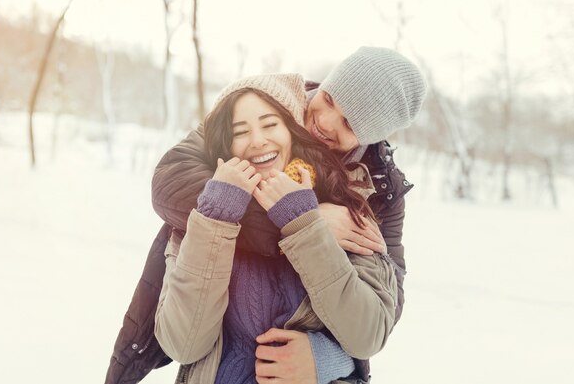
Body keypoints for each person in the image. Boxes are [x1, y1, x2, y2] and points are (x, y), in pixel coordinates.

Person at [104, 47, 427, 384]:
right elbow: (171, 181)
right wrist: (301, 220)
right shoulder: (264, 104)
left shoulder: (376, 190)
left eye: (349, 123)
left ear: (372, 137)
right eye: (329, 99)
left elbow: (385, 304)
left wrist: (329, 358)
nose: (326, 122)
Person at [154, 75, 398, 384]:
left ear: (292, 131)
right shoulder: (204, 215)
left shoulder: (345, 208)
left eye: (270, 125)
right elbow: (183, 344)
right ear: (225, 144)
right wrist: (217, 216)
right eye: (240, 131)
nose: (257, 140)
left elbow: (368, 334)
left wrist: (304, 223)